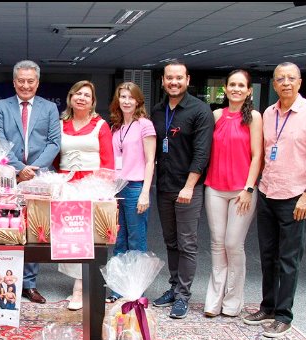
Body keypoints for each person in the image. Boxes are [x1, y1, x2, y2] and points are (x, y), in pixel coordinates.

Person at [242, 62, 306, 338]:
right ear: (274, 82)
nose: (286, 83)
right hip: (268, 191)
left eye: (291, 78)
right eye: (280, 79)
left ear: (300, 82)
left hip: (295, 195)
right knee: (267, 255)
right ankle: (267, 306)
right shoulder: (269, 113)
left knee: (288, 258)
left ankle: (283, 315)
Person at [0, 60, 61, 304]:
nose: (25, 85)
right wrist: (19, 170)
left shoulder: (50, 108)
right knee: (6, 228)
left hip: (39, 177)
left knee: (34, 229)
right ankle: (5, 283)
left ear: (37, 83)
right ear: (14, 82)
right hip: (8, 177)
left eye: (30, 81)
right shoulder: (0, 107)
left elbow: (54, 142)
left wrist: (34, 169)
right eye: (21, 80)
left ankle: (29, 285)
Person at [150, 60, 214, 319]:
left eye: (179, 78)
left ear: (187, 80)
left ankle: (184, 295)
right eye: (169, 78)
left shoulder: (200, 110)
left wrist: (189, 186)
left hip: (188, 188)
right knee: (171, 241)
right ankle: (174, 287)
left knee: (187, 243)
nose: (174, 82)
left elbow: (202, 153)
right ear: (163, 81)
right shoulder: (157, 110)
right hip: (164, 186)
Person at [203, 70, 263, 318]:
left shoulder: (255, 118)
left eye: (241, 85)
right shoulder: (216, 115)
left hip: (242, 190)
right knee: (217, 244)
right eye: (232, 85)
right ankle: (213, 301)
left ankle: (233, 301)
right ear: (225, 89)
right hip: (215, 188)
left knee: (233, 244)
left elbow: (257, 155)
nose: (236, 89)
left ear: (249, 91)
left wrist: (249, 188)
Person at [55, 80, 114, 310]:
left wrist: (105, 191)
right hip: (67, 187)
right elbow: (54, 157)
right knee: (69, 235)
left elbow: (108, 161)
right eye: (77, 94)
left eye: (86, 95)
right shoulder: (61, 124)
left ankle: (80, 288)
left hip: (93, 187)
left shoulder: (101, 125)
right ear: (70, 98)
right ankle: (77, 281)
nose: (81, 98)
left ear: (92, 101)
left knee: (89, 236)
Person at [106, 82, 157, 303]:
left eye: (130, 97)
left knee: (136, 241)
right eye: (122, 97)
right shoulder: (115, 126)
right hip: (117, 188)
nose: (126, 101)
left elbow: (150, 161)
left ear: (138, 101)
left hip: (136, 187)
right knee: (119, 241)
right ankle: (118, 287)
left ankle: (136, 291)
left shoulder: (144, 125)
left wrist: (145, 192)